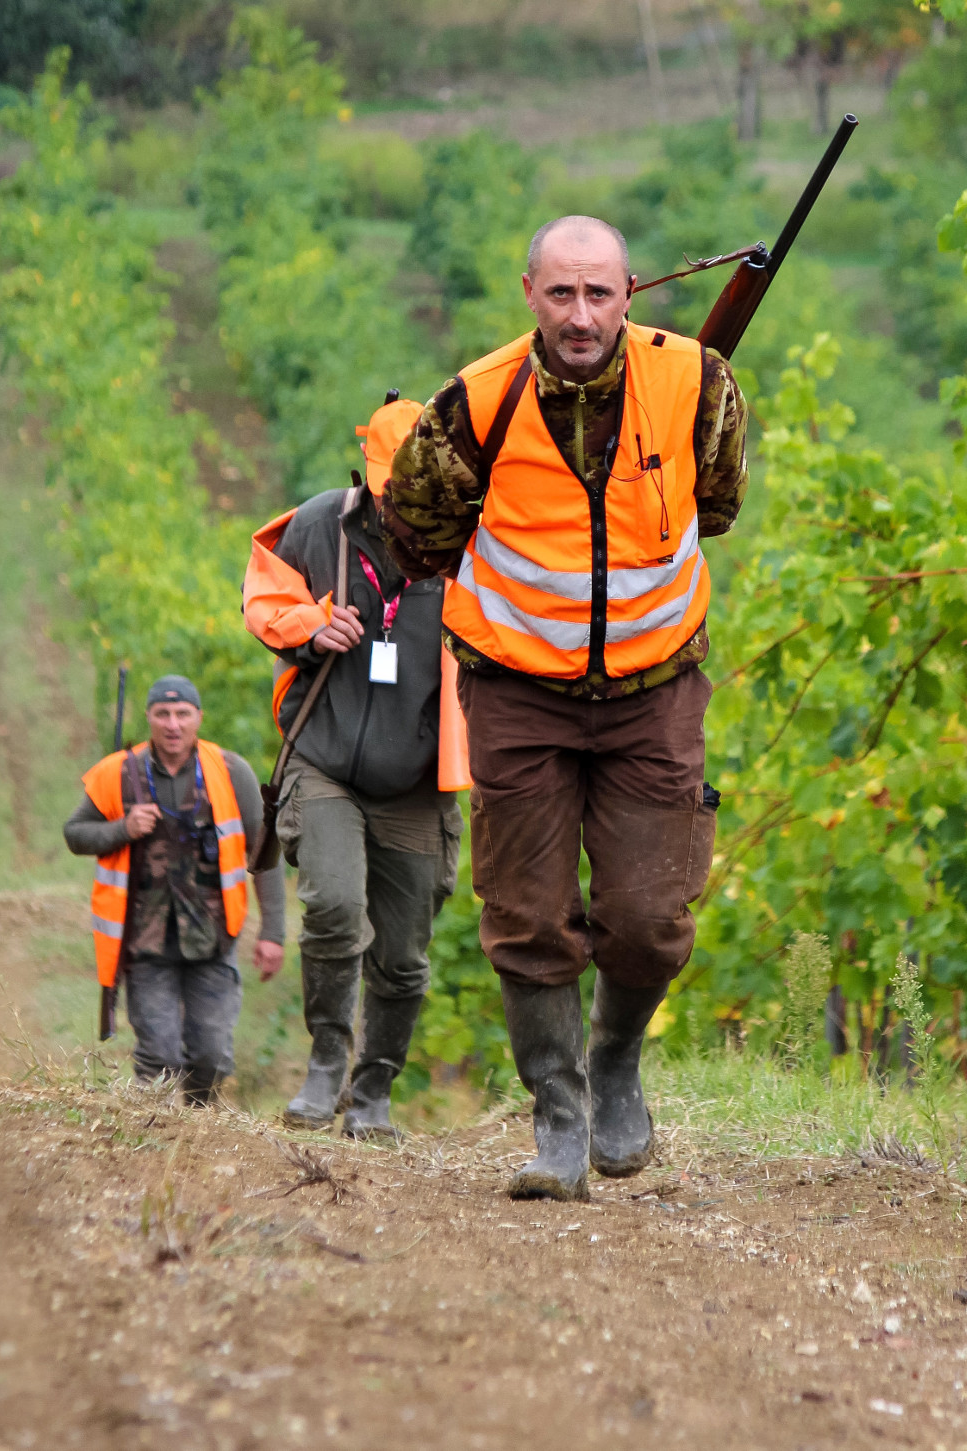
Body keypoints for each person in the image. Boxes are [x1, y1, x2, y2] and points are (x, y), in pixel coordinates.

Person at [379, 215, 748, 1199]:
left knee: (647, 915)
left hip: (653, 690)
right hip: (514, 696)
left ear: (631, 291)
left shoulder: (697, 381)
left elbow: (714, 503)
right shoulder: (472, 402)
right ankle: (556, 1113)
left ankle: (615, 1065)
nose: (579, 315)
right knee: (525, 912)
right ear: (527, 295)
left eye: (597, 294)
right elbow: (415, 526)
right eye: (559, 294)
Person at [242, 397, 469, 1139]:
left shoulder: (474, 543)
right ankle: (325, 1064)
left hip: (418, 781)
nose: (393, 498)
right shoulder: (319, 525)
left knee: (403, 961)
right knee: (335, 908)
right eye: (383, 481)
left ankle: (373, 1093)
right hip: (325, 760)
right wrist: (313, 627)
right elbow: (263, 590)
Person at [63, 676, 286, 1103]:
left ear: (198, 718)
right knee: (158, 1059)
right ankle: (154, 1143)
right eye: (162, 714)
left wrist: (273, 932)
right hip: (145, 943)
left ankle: (199, 1132)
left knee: (212, 1057)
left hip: (214, 939)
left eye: (182, 713)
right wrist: (122, 828)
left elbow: (265, 853)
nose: (172, 724)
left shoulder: (231, 771)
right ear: (148, 718)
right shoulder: (118, 771)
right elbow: (75, 834)